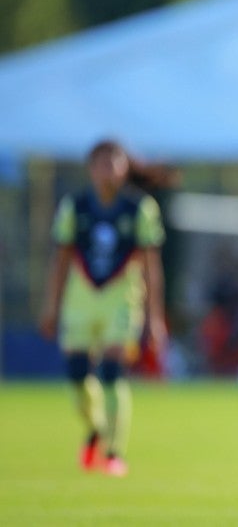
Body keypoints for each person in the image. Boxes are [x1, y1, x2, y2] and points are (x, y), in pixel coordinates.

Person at [39, 139, 175, 477]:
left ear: (125, 166)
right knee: (76, 377)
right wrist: (51, 307)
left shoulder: (139, 209)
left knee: (113, 374)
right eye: (101, 162)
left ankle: (115, 453)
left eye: (114, 161)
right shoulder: (75, 206)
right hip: (80, 306)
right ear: (91, 168)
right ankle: (96, 426)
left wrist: (155, 318)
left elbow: (150, 267)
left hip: (122, 304)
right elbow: (60, 260)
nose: (108, 169)